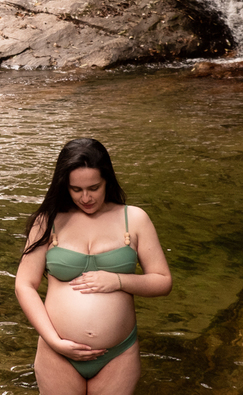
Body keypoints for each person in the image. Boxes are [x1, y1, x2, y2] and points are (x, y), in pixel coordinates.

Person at [15, 138, 172, 394]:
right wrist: (54, 341)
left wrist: (119, 281)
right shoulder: (48, 221)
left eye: (94, 187)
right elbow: (24, 285)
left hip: (118, 353)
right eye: (76, 189)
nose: (85, 197)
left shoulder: (134, 218)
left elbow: (163, 281)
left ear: (107, 180)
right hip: (58, 352)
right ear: (64, 186)